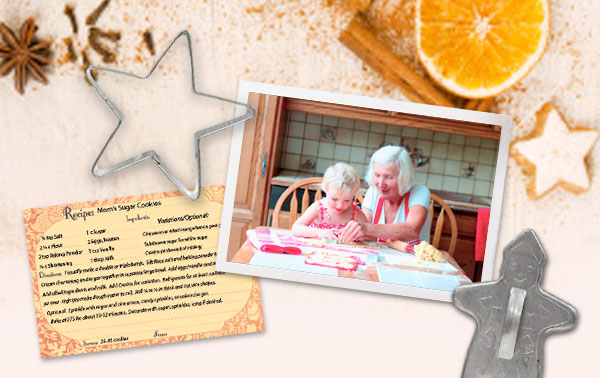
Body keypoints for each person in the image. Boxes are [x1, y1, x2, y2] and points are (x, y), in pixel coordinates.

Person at [339, 145, 430, 244]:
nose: (381, 183)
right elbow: (364, 229)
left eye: (389, 177)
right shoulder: (373, 191)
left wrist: (367, 228)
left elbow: (412, 230)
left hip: (413, 258)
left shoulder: (420, 192)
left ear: (404, 177)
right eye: (377, 175)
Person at [292, 162, 367, 240]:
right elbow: (296, 228)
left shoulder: (356, 214)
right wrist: (319, 232)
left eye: (347, 200)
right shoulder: (318, 208)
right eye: (334, 199)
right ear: (326, 189)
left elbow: (372, 238)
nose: (340, 205)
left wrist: (356, 235)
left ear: (354, 194)